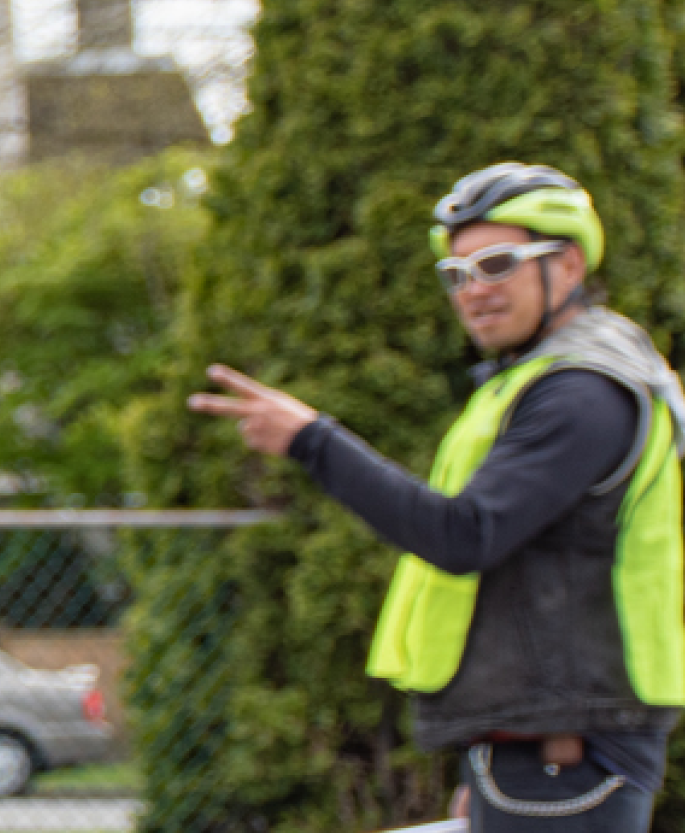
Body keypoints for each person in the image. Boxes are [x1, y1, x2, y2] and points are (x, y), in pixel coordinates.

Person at [189, 162, 682, 830]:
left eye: (499, 263)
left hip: (564, 746)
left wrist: (311, 439)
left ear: (566, 265)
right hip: (536, 741)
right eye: (457, 274)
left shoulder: (582, 390)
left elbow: (463, 535)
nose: (473, 290)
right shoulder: (541, 377)